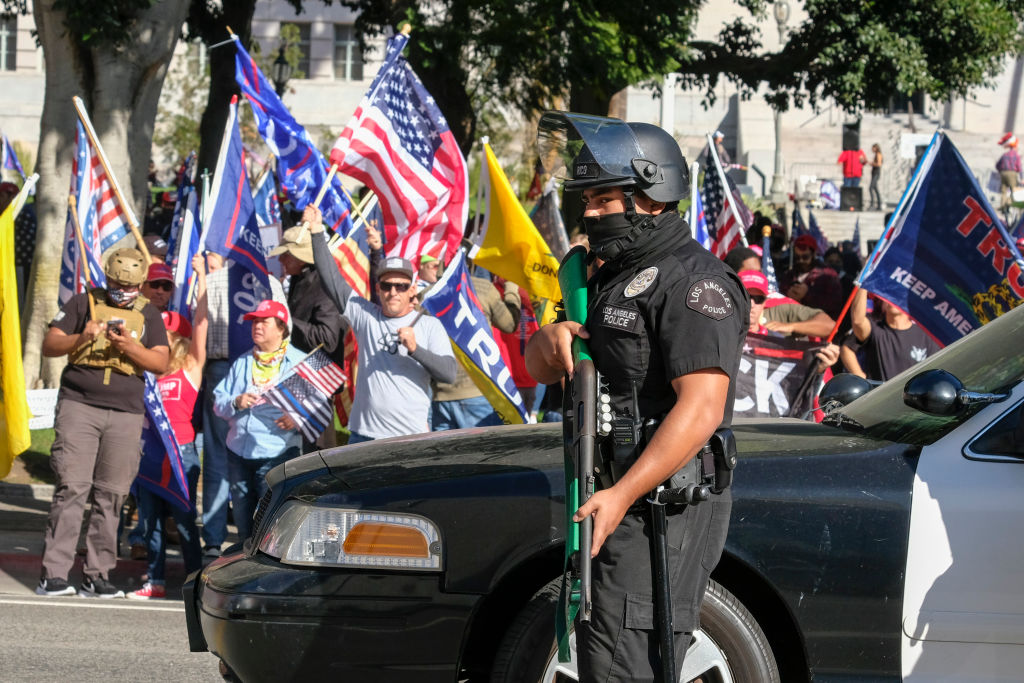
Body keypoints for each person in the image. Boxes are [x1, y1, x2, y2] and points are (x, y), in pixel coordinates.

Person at [525, 112, 747, 681]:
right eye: (587, 200)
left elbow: (701, 408)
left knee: (627, 661)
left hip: (658, 507)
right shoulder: (603, 275)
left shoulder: (696, 283)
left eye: (604, 199)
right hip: (607, 495)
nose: (590, 213)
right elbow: (538, 366)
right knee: (603, 655)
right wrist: (550, 343)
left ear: (653, 194)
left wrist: (622, 493)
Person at [37, 248, 169, 598]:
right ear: (106, 277)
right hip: (80, 405)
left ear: (140, 283)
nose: (122, 288)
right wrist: (83, 335)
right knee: (73, 487)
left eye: (129, 284)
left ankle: (98, 574)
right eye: (116, 281)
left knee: (112, 494)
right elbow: (50, 344)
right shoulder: (83, 303)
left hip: (125, 413)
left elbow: (160, 363)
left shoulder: (149, 314)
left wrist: (128, 345)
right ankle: (53, 574)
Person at [306, 205, 457, 441]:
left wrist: (416, 350)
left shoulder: (429, 325)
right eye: (386, 286)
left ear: (412, 290)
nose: (393, 292)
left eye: (401, 286)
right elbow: (331, 280)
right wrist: (316, 231)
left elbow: (449, 374)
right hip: (364, 436)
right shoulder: (366, 316)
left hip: (410, 438)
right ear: (378, 289)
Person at [128, 256, 208, 599]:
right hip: (149, 454)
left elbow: (203, 323)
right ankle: (155, 580)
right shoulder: (145, 373)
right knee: (150, 521)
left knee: (185, 519)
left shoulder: (190, 367)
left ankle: (196, 582)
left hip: (181, 454)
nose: (165, 337)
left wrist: (202, 278)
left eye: (170, 331)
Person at [200, 254, 287, 559]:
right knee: (224, 453)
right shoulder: (269, 282)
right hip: (230, 367)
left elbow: (201, 331)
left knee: (234, 458)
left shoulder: (216, 282)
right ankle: (229, 541)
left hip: (249, 364)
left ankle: (222, 541)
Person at [213, 300, 304, 541]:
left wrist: (298, 419)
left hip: (277, 454)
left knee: (274, 527)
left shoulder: (298, 363)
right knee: (243, 523)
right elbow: (218, 403)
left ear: (281, 327)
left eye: (264, 321)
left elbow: (317, 407)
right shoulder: (243, 361)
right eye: (254, 321)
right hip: (238, 454)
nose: (257, 326)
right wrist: (236, 401)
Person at [268, 226, 348, 449]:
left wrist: (287, 321)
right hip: (298, 375)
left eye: (286, 254)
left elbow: (328, 338)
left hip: (318, 381)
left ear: (301, 258)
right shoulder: (298, 279)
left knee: (319, 456)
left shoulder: (323, 286)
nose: (281, 258)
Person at [432, 272, 520, 430]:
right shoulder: (483, 287)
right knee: (486, 454)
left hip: (440, 396)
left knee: (448, 455)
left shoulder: (430, 292)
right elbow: (510, 324)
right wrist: (512, 287)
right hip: (478, 392)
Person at [843, 289, 940, 382]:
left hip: (911, 397)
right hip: (880, 397)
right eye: (888, 295)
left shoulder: (926, 337)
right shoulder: (876, 329)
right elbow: (857, 321)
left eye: (897, 295)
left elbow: (935, 372)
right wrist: (862, 286)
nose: (892, 299)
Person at [738, 269, 835, 339]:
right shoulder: (723, 322)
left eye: (758, 299)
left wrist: (791, 327)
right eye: (746, 297)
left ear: (765, 302)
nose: (751, 303)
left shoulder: (781, 311)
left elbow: (830, 326)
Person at [780, 234, 844, 320]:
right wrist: (788, 295)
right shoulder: (789, 275)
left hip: (818, 326)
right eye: (797, 257)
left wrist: (807, 294)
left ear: (814, 254)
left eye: (805, 257)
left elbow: (835, 303)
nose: (801, 261)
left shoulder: (828, 274)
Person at [996, 133, 1021, 211]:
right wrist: (1022, 177)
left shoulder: (1005, 155)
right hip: (1012, 173)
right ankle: (1008, 202)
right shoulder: (1016, 155)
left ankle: (1002, 206)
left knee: (1003, 190)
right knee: (1013, 189)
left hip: (1003, 173)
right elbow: (1019, 167)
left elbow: (997, 165)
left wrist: (1001, 171)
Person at [867, 143, 884, 210]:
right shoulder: (876, 155)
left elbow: (879, 164)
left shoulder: (878, 154)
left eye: (873, 148)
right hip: (874, 173)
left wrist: (872, 163)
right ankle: (879, 205)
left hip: (876, 173)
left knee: (871, 188)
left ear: (876, 148)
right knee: (875, 189)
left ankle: (872, 204)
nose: (872, 150)